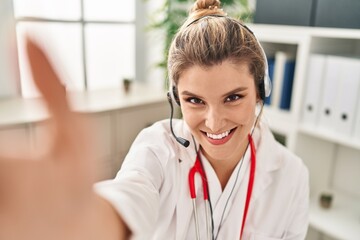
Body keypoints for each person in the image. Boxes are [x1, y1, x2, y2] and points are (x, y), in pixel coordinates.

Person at [0, 0, 309, 239]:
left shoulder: (292, 176)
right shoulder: (157, 150)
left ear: (260, 92)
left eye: (233, 97)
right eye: (194, 101)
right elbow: (130, 198)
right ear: (176, 99)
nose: (214, 123)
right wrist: (81, 221)